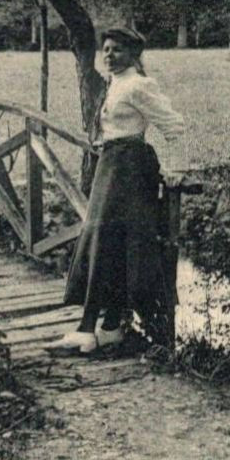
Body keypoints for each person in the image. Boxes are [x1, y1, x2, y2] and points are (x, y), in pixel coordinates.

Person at [59, 27, 186, 354]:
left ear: (133, 54)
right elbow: (118, 124)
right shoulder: (117, 83)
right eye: (106, 50)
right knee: (106, 240)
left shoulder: (140, 85)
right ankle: (110, 326)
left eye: (116, 50)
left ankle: (88, 329)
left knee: (108, 239)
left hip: (129, 170)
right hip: (112, 164)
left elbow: (174, 126)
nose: (109, 55)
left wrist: (172, 167)